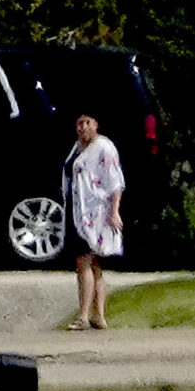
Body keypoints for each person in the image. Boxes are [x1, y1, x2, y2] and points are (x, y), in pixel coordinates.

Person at [62, 112, 127, 331]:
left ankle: (84, 315)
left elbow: (115, 182)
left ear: (96, 124)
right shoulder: (78, 147)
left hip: (96, 213)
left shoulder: (105, 148)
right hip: (79, 211)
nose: (82, 128)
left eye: (87, 123)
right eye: (79, 123)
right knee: (94, 264)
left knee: (85, 262)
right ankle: (98, 315)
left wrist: (115, 211)